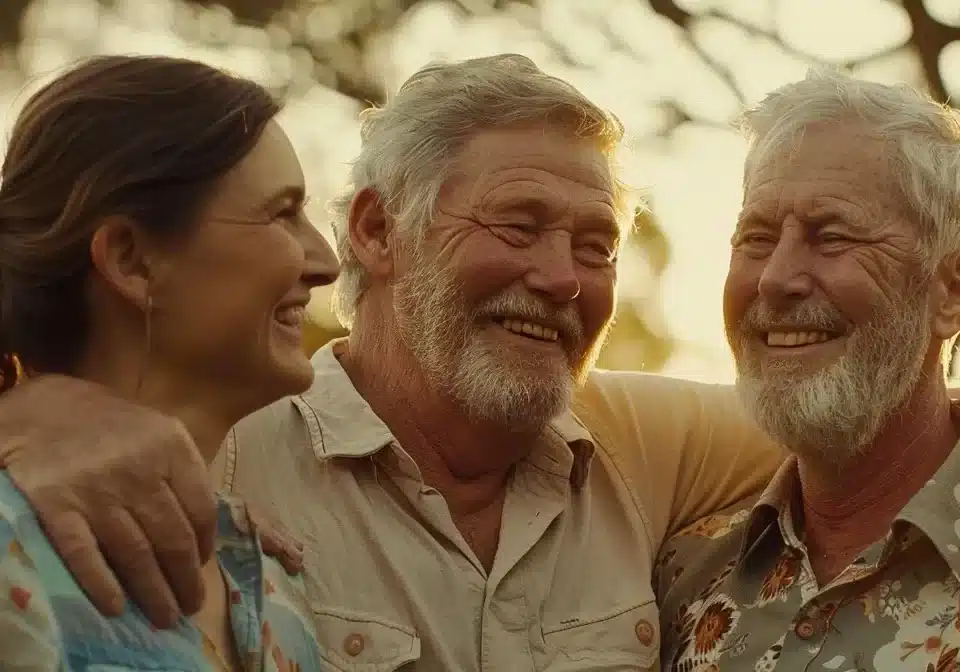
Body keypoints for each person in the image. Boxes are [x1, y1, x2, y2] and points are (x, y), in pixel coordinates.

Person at [0, 54, 784, 670]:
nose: (562, 278)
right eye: (517, 225)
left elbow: (868, 416)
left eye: (596, 247)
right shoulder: (220, 448)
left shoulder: (638, 441)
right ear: (377, 231)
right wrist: (29, 405)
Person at [0, 54, 339, 670]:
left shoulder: (275, 587)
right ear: (131, 260)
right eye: (283, 213)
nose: (325, 262)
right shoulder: (10, 555)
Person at [655, 69, 960, 671]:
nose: (775, 278)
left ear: (951, 291)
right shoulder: (683, 573)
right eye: (757, 238)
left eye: (832, 237)